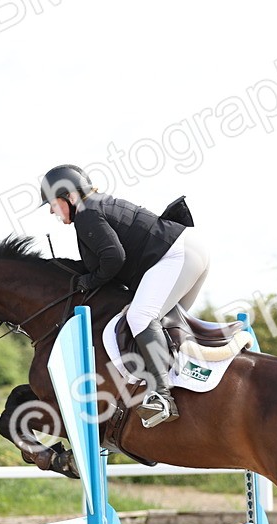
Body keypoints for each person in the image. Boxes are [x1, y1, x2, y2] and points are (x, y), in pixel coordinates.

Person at [40, 164, 209, 427]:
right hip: (188, 251)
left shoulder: (86, 213)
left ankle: (161, 395)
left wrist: (88, 281)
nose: (51, 210)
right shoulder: (94, 207)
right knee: (165, 325)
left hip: (177, 255)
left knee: (141, 315)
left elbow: (113, 258)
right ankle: (191, 381)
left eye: (52, 203)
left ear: (69, 197)